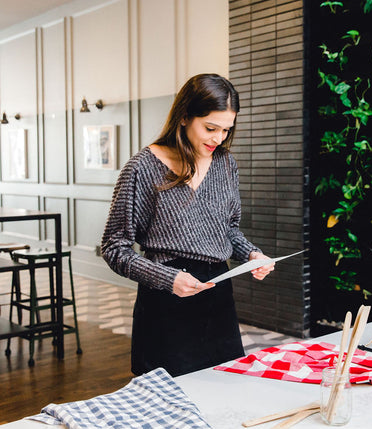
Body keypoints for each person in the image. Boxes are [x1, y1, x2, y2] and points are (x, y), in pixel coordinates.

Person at [101, 73, 274, 377]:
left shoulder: (224, 163)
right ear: (184, 117)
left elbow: (228, 229)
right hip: (165, 304)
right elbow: (115, 249)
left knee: (225, 392)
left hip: (218, 298)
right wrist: (168, 279)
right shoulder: (142, 169)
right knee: (166, 409)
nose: (218, 138)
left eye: (226, 130)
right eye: (210, 128)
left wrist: (251, 254)